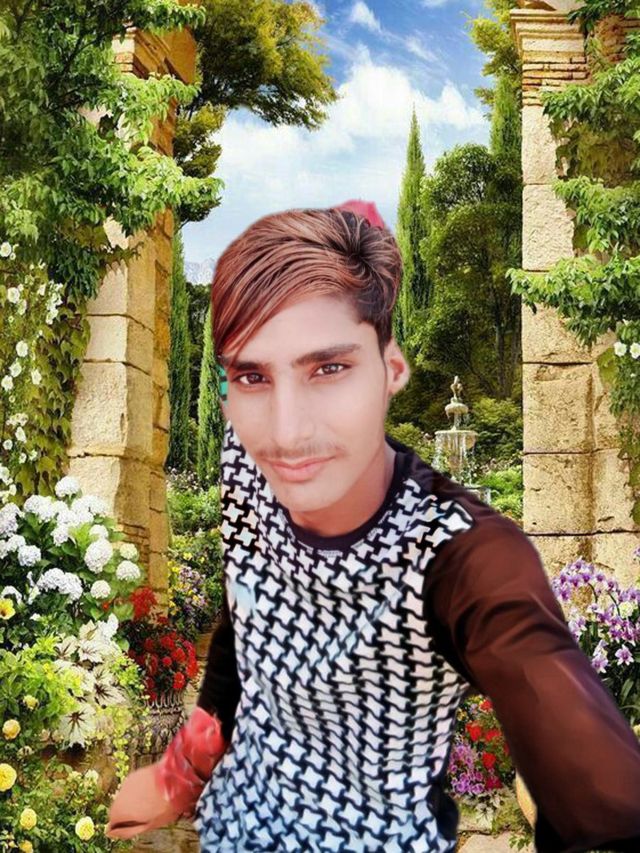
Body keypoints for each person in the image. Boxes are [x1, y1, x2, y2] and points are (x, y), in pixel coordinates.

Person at [106, 201, 640, 852]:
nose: (288, 429)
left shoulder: (460, 552)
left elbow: (601, 793)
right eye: (252, 376)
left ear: (389, 372)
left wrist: (570, 787)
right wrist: (182, 771)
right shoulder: (253, 483)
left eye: (328, 369)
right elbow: (237, 639)